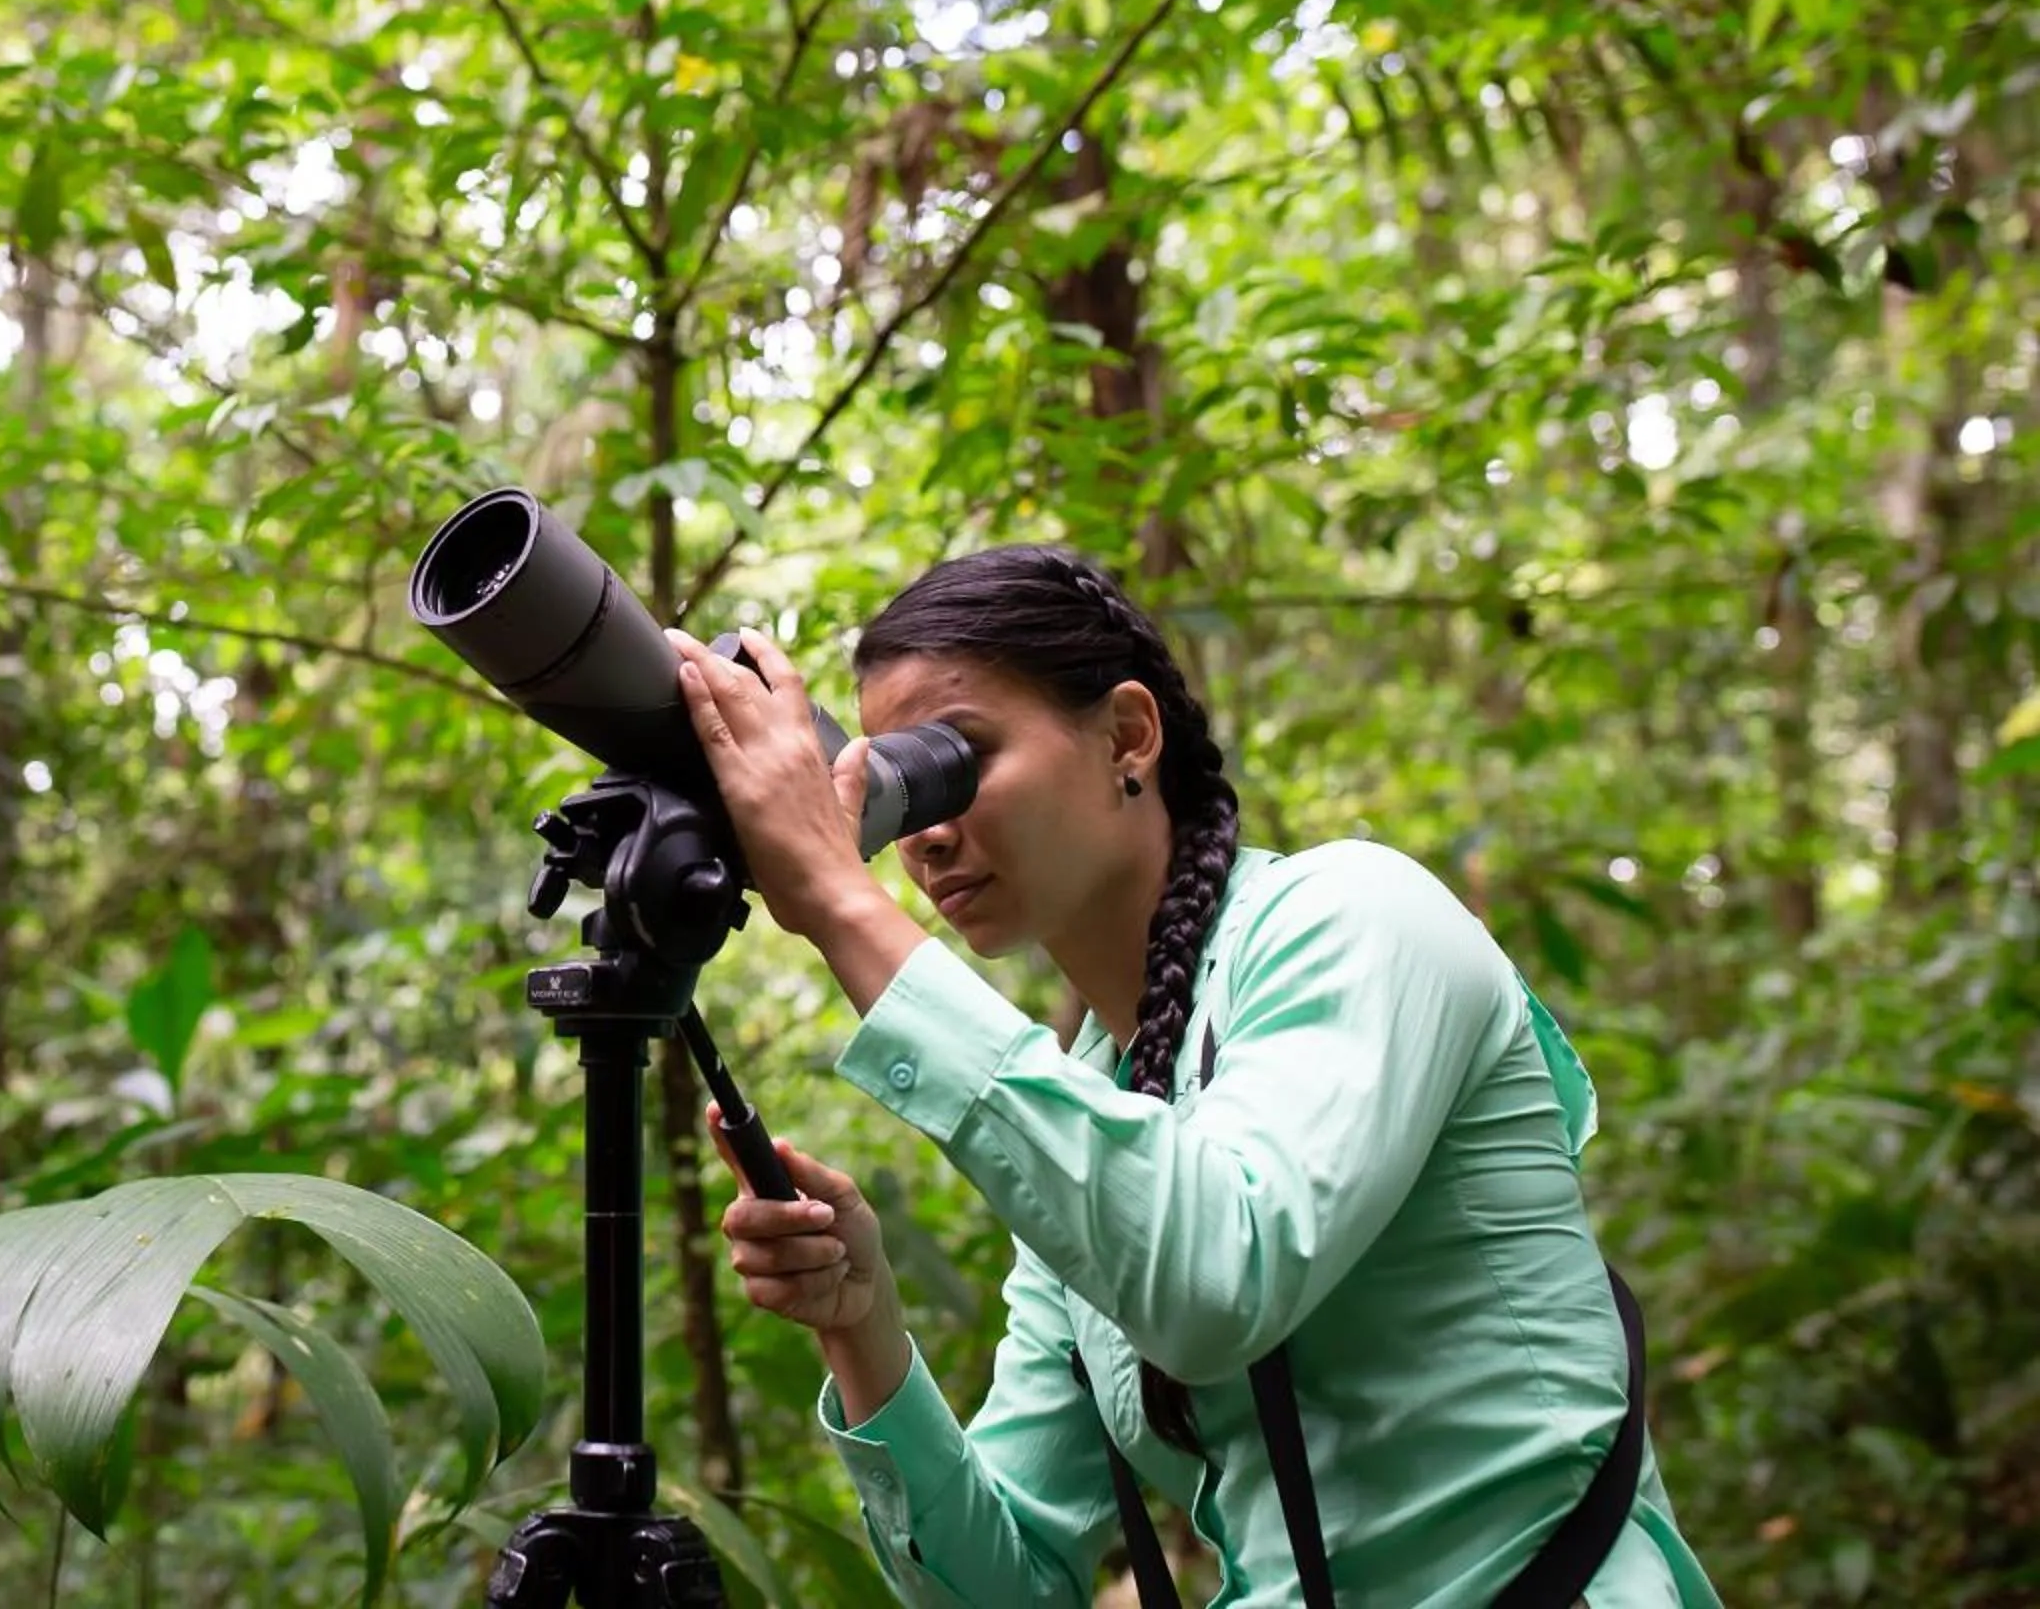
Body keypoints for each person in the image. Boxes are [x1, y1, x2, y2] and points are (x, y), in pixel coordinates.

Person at [662, 546, 1720, 1608]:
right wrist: (864, 1324)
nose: (926, 831)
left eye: (954, 756)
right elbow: (1012, 1582)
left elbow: (1220, 1272)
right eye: (897, 783)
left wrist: (843, 902)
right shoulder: (1092, 1101)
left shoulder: (1357, 918)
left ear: (1128, 735)